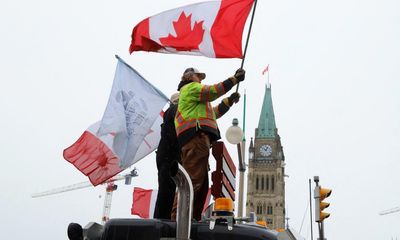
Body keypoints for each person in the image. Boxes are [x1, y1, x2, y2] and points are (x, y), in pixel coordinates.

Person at [171, 67, 245, 221]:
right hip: (196, 138)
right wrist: (234, 79)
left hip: (198, 140)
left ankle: (191, 219)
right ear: (190, 77)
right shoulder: (190, 88)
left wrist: (229, 101)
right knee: (192, 181)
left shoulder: (196, 101)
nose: (200, 80)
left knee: (202, 185)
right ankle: (178, 220)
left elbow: (214, 113)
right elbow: (212, 91)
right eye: (199, 77)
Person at [153, 93, 181, 219]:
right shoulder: (174, 110)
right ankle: (162, 221)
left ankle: (163, 219)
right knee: (167, 191)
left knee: (168, 191)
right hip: (169, 157)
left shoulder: (170, 113)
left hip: (167, 156)